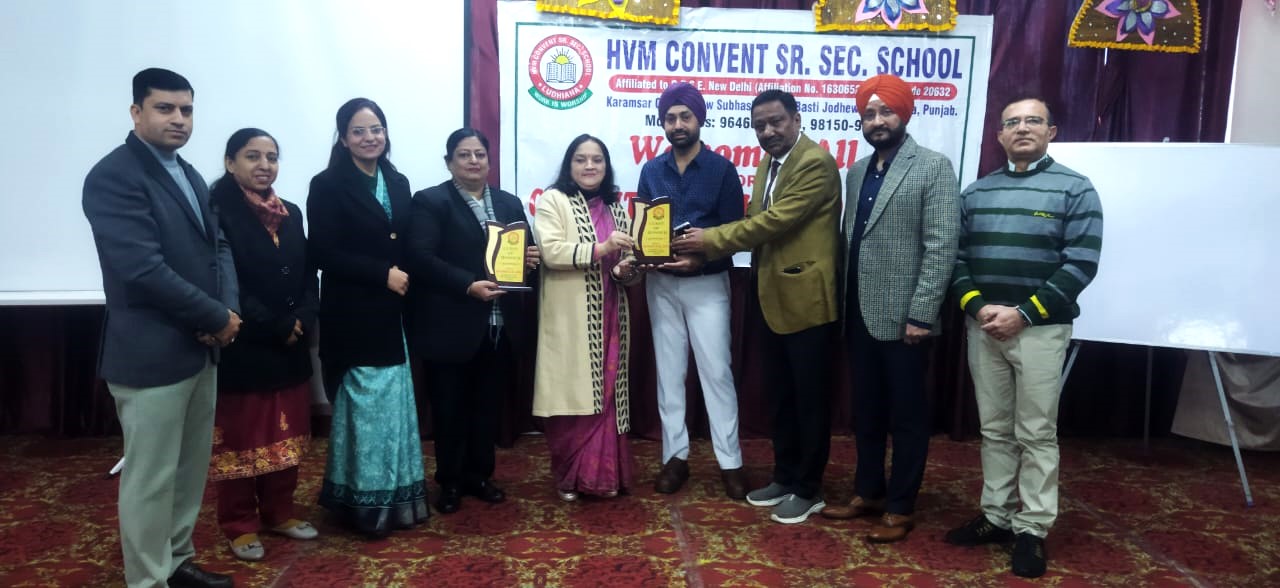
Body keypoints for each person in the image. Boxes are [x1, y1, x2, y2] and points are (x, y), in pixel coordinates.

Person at [82, 67, 237, 588]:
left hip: (200, 350)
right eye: (164, 108)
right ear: (136, 112)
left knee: (189, 470)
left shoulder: (187, 172)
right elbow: (142, 270)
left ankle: (176, 562)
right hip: (150, 353)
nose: (178, 119)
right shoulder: (114, 176)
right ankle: (147, 581)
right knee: (150, 479)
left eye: (186, 110)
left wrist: (227, 311)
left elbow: (217, 247)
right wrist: (215, 317)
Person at [944, 96, 1103, 578]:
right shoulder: (976, 193)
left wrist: (1024, 314)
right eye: (1012, 122)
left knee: (1035, 432)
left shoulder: (1076, 189)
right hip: (984, 326)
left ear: (1051, 132)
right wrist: (977, 307)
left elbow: (1081, 264)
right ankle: (996, 515)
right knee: (994, 429)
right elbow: (956, 259)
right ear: (999, 136)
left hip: (1040, 330)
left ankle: (1031, 528)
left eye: (1034, 120)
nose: (1022, 128)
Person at [673, 90, 841, 525]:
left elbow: (773, 222)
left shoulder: (815, 162)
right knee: (781, 396)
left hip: (807, 300)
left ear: (796, 119)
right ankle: (785, 476)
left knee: (809, 400)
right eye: (760, 125)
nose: (768, 132)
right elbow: (755, 221)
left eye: (776, 122)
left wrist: (709, 240)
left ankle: (809, 488)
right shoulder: (769, 162)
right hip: (770, 295)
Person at [820, 74, 960, 543]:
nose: (877, 121)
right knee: (867, 411)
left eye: (886, 112)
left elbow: (941, 246)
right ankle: (868, 492)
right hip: (859, 312)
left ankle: (901, 505)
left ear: (905, 114)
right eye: (869, 114)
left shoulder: (933, 167)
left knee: (906, 416)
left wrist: (922, 313)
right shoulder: (857, 170)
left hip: (906, 319)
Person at [307, 98, 429, 537]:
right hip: (353, 314)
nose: (369, 137)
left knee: (393, 410)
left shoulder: (397, 181)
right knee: (365, 410)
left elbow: (408, 243)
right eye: (358, 131)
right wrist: (382, 274)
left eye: (376, 128)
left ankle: (396, 497)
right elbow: (322, 252)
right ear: (343, 138)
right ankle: (361, 505)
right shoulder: (327, 184)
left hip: (394, 315)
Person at [407, 128, 540, 514]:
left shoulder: (509, 203)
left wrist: (530, 260)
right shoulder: (431, 201)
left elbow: (524, 254)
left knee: (486, 407)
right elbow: (421, 258)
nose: (473, 161)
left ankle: (480, 476)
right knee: (449, 408)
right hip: (451, 325)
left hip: (500, 326)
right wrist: (468, 284)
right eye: (464, 154)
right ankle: (450, 481)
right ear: (449, 162)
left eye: (480, 154)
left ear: (489, 159)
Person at [206, 129, 319, 561]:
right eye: (252, 156)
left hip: (291, 344)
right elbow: (227, 281)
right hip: (246, 345)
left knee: (285, 436)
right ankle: (238, 525)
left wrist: (304, 317)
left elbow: (307, 273)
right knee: (240, 441)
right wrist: (276, 325)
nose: (264, 165)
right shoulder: (218, 212)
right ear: (230, 162)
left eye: (271, 157)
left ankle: (280, 513)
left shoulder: (290, 211)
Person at [636, 82, 749, 500]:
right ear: (662, 124)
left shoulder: (722, 170)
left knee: (716, 373)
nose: (677, 124)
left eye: (685, 116)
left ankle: (730, 462)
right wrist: (649, 257)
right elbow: (645, 229)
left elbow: (734, 235)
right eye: (670, 118)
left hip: (707, 284)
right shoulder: (652, 171)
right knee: (669, 373)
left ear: (699, 119)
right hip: (662, 284)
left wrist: (701, 260)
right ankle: (675, 457)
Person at [532, 134, 640, 502]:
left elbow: (629, 261)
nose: (590, 166)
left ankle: (604, 477)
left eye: (597, 159)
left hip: (611, 314)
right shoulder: (553, 200)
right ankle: (570, 475)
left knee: (607, 392)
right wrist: (603, 248)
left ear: (607, 166)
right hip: (570, 317)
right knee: (572, 391)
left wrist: (626, 268)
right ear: (569, 164)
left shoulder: (616, 208)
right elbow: (550, 251)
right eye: (581, 159)